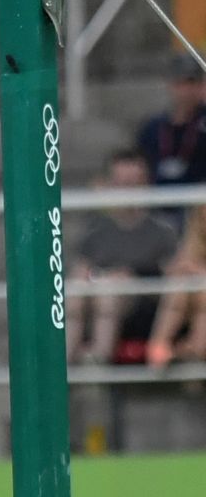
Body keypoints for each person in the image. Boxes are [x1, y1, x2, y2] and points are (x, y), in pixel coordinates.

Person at [65, 151, 178, 365]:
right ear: (108, 184)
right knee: (75, 290)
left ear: (146, 184)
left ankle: (97, 364)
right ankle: (63, 367)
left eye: (134, 183)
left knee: (109, 291)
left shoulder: (163, 229)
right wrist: (96, 277)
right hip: (96, 294)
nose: (128, 190)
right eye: (122, 183)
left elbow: (174, 276)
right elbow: (80, 270)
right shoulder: (95, 229)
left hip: (142, 304)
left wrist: (135, 276)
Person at [147, 204, 206, 368]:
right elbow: (176, 266)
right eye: (202, 217)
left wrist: (197, 271)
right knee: (179, 288)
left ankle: (190, 351)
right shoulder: (192, 241)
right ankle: (160, 347)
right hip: (190, 299)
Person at [136, 56, 206, 189]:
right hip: (156, 200)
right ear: (170, 85)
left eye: (192, 83)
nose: (186, 91)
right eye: (179, 83)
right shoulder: (152, 127)